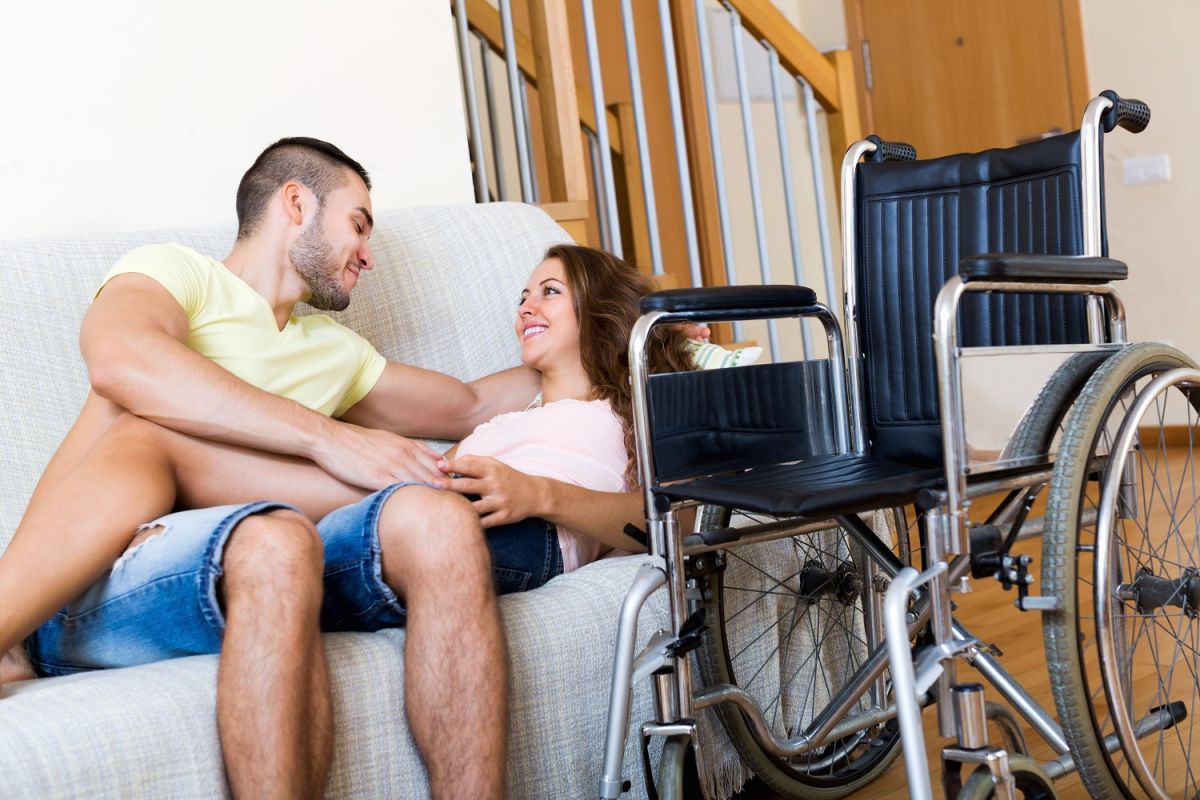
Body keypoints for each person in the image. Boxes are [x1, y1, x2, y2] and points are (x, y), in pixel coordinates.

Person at [0, 138, 650, 799]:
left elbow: (473, 402)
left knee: (293, 536)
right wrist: (327, 438)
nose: (367, 253)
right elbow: (122, 360)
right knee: (163, 439)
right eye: (358, 224)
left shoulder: (334, 352)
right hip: (109, 558)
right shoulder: (177, 275)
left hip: (245, 544)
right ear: (295, 202)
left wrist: (638, 334)